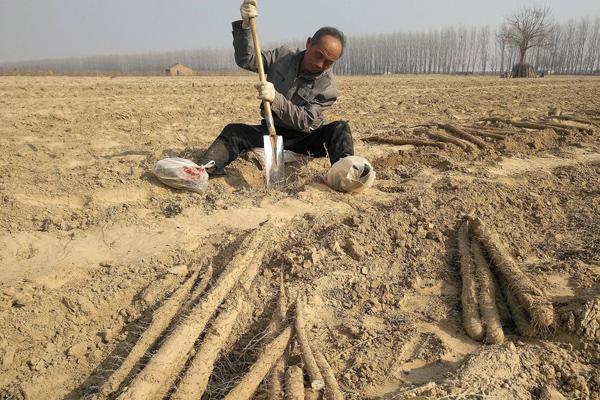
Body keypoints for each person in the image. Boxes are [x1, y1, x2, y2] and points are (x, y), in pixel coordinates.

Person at [198, 0, 354, 176]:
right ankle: (205, 169)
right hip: (272, 129)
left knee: (340, 129)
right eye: (318, 55)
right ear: (309, 43)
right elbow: (247, 60)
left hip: (305, 139)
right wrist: (245, 27)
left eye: (329, 62)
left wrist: (276, 98)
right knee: (234, 131)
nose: (321, 64)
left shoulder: (328, 87)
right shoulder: (282, 56)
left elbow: (305, 121)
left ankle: (345, 174)